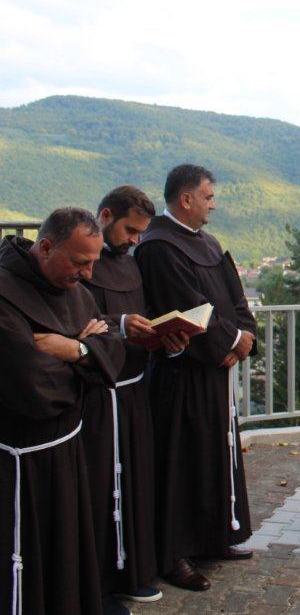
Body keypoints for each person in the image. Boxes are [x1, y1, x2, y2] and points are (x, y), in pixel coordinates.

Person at [134, 165, 258, 590]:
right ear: (185, 200)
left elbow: (235, 299)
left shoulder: (209, 243)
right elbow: (188, 307)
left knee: (214, 454)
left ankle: (215, 535)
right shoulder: (158, 247)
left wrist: (245, 337)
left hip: (215, 375)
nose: (213, 204)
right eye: (207, 197)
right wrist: (229, 344)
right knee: (180, 462)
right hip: (181, 375)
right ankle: (174, 553)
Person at [0, 208, 125, 615]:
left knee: (67, 555)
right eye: (79, 262)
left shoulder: (78, 290)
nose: (89, 274)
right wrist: (88, 366)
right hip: (23, 464)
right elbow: (31, 385)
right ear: (46, 246)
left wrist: (74, 349)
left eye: (93, 262)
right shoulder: (4, 294)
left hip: (69, 448)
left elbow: (112, 350)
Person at [81, 186, 187, 609]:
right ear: (105, 215)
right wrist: (122, 323)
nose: (134, 241)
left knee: (135, 482)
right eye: (129, 230)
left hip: (133, 390)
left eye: (141, 233)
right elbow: (74, 317)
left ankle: (133, 570)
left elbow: (144, 321)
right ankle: (100, 582)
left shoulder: (131, 263)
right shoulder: (81, 261)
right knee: (101, 486)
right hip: (98, 394)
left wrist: (168, 341)